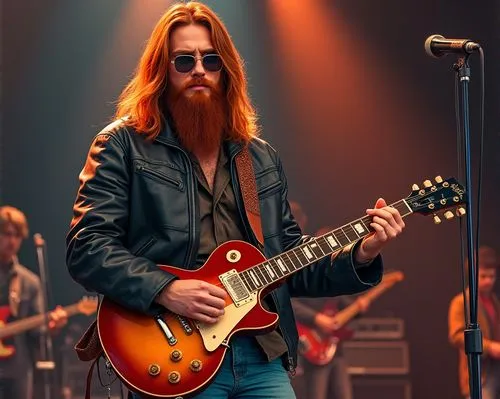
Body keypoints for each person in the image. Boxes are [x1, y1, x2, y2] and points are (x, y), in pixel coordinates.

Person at [65, 2, 405, 398]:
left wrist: (362, 252)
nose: (199, 70)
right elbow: (87, 247)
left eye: (211, 60)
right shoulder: (122, 144)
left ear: (226, 69)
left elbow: (290, 261)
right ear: (161, 69)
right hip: (176, 351)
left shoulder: (258, 157)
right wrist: (166, 288)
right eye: (183, 60)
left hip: (262, 354)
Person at [288, 203, 369, 399]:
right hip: (310, 344)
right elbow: (288, 302)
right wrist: (317, 319)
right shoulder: (302, 267)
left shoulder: (335, 279)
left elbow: (344, 305)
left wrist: (359, 307)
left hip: (334, 348)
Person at [0, 206, 67, 399]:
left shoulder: (30, 282)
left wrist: (53, 326)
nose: (12, 240)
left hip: (18, 369)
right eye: (6, 234)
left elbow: (39, 331)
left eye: (17, 235)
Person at [449, 246, 500, 399]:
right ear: (473, 275)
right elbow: (456, 336)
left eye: (492, 276)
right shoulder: (461, 302)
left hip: (495, 369)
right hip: (479, 374)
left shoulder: (494, 301)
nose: (488, 281)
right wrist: (490, 347)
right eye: (483, 276)